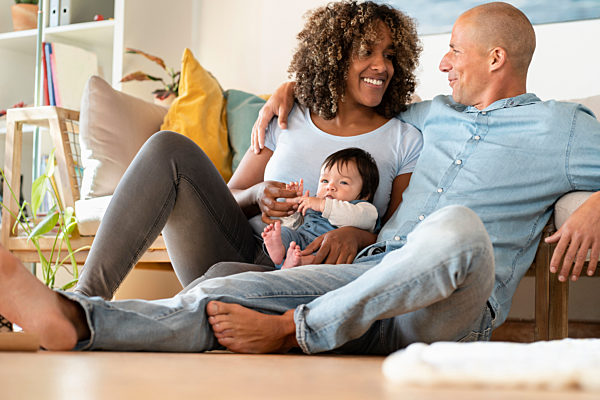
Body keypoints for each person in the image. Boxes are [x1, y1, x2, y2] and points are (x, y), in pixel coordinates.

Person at [0, 1, 598, 355]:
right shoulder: (428, 114)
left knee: (456, 229)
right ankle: (76, 321)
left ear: (496, 58)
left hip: (448, 310)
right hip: (363, 280)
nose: (440, 63)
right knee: (215, 294)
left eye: (456, 52)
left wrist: (596, 202)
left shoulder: (564, 126)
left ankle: (296, 330)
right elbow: (349, 105)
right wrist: (292, 89)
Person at [73, 1, 422, 300]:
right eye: (367, 51)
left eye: (390, 56)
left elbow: (399, 234)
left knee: (220, 280)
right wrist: (258, 195)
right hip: (243, 245)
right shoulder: (288, 115)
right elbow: (229, 198)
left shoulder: (404, 138)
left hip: (303, 275)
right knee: (168, 148)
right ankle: (84, 300)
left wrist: (358, 234)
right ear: (334, 56)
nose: (382, 66)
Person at [263, 148, 380, 269]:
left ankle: (298, 262)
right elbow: (296, 226)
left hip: (328, 250)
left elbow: (356, 218)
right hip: (299, 241)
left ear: (365, 194)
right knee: (285, 232)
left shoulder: (363, 208)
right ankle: (278, 251)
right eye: (325, 180)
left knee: (319, 256)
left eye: (343, 182)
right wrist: (293, 209)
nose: (330, 187)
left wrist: (322, 205)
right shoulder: (314, 202)